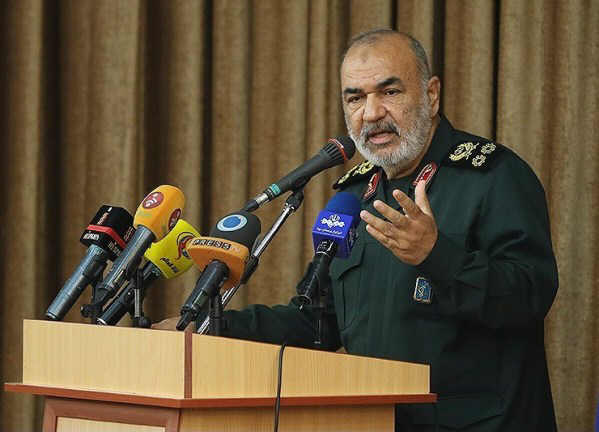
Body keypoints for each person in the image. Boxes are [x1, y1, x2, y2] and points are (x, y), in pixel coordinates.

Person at [179, 29, 559, 431]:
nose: (371, 112)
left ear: (431, 96)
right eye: (355, 98)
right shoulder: (354, 195)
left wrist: (436, 255)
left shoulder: (494, 176)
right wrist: (210, 329)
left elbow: (530, 297)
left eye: (389, 92)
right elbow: (318, 321)